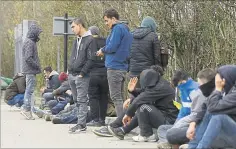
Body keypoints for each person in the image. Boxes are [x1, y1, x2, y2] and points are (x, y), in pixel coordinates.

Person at [156, 68, 216, 148]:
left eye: (200, 84)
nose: (199, 87)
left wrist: (181, 124)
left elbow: (197, 114)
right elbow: (183, 110)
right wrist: (177, 124)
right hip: (189, 122)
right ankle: (170, 142)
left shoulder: (197, 92)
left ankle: (175, 143)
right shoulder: (183, 91)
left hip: (195, 125)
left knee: (171, 133)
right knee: (162, 129)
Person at [120, 68, 179, 142]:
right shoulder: (158, 83)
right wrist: (133, 91)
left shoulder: (160, 87)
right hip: (163, 115)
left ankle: (146, 135)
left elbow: (141, 99)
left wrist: (128, 114)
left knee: (143, 107)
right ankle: (124, 129)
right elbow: (144, 93)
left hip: (169, 120)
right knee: (142, 105)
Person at [188, 65, 236, 148]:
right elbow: (206, 106)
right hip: (225, 132)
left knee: (219, 116)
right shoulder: (226, 90)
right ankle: (192, 147)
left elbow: (213, 108)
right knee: (210, 113)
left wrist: (217, 89)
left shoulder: (233, 94)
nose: (217, 82)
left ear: (226, 78)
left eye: (219, 79)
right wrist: (193, 122)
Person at [97, 8, 133, 117]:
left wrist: (102, 50)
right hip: (122, 66)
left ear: (113, 19)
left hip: (114, 67)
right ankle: (123, 121)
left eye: (106, 20)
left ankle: (120, 123)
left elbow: (112, 46)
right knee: (120, 97)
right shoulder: (126, 30)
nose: (106, 23)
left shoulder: (117, 29)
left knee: (115, 97)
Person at [68, 18, 93, 133]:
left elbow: (91, 59)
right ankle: (80, 121)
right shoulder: (76, 40)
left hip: (82, 75)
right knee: (76, 100)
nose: (72, 29)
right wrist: (69, 70)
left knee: (82, 100)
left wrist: (82, 73)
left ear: (80, 25)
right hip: (72, 74)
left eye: (73, 27)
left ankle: (81, 124)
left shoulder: (90, 40)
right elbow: (73, 56)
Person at [86, 26, 109, 127]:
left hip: (93, 73)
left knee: (93, 97)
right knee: (104, 96)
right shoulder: (106, 41)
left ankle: (95, 119)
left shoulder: (89, 42)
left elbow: (87, 59)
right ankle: (102, 119)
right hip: (105, 73)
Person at [21, 23, 42, 120]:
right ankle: (26, 109)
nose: (39, 35)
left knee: (29, 90)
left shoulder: (28, 41)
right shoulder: (30, 42)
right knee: (29, 91)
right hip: (30, 71)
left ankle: (29, 109)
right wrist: (37, 66)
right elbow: (28, 58)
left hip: (29, 70)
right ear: (34, 33)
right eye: (38, 33)